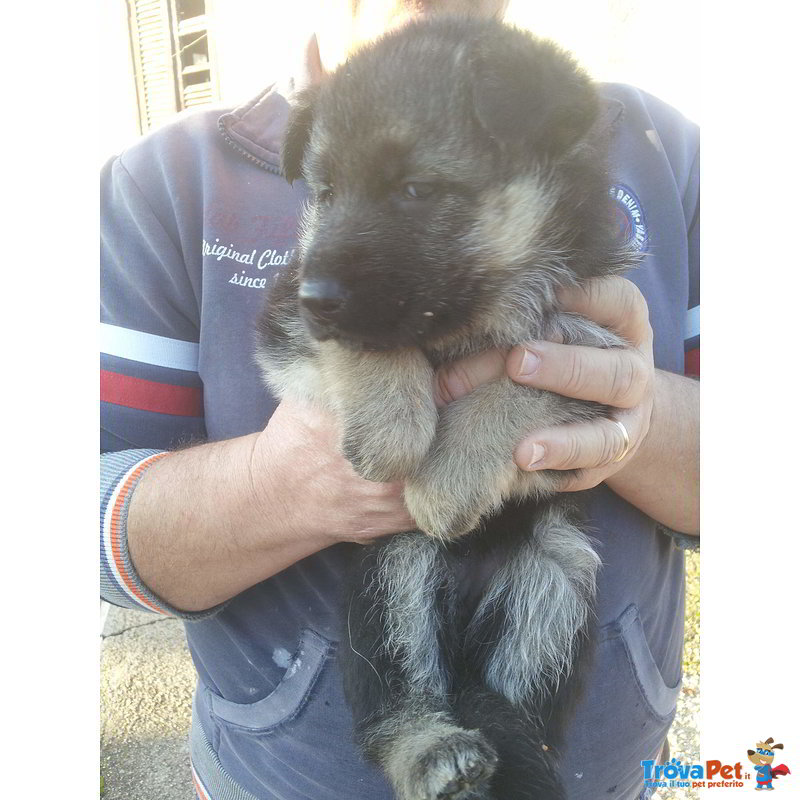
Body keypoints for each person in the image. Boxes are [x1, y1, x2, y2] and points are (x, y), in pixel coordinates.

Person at [100, 1, 699, 798]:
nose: (337, 250)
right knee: (402, 568)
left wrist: (629, 409)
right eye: (328, 192)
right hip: (274, 779)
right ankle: (410, 731)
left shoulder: (666, 149)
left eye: (419, 188)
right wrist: (294, 477)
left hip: (613, 773)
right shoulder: (163, 183)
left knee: (555, 569)